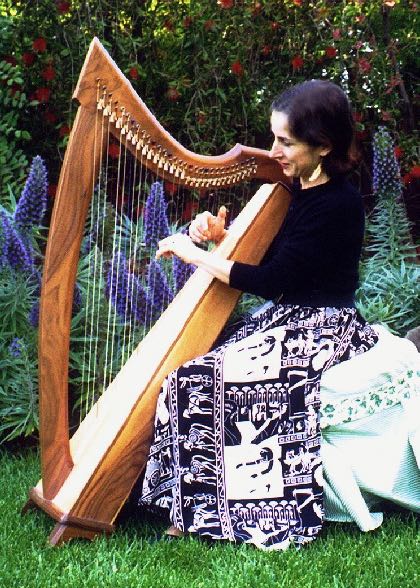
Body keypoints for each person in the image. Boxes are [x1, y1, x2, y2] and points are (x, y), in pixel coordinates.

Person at [138, 80, 420, 551]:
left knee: (204, 381)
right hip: (287, 320)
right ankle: (189, 501)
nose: (275, 151)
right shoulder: (299, 188)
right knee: (190, 375)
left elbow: (273, 280)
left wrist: (193, 255)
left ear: (323, 146)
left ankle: (229, 510)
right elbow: (274, 256)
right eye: (274, 138)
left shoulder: (339, 204)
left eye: (285, 142)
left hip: (324, 329)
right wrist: (215, 235)